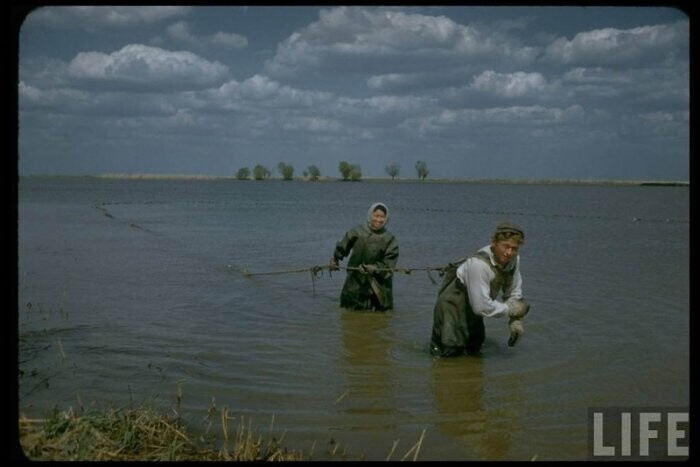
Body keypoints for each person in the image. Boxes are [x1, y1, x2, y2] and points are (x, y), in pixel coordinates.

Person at [430, 222, 530, 357]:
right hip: (452, 308)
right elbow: (481, 307)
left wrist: (516, 321)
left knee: (475, 346)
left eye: (514, 248)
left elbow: (513, 292)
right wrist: (510, 310)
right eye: (505, 246)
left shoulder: (514, 260)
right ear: (494, 242)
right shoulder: (478, 265)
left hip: (476, 308)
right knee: (449, 352)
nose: (509, 253)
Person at [329, 202, 399, 311]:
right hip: (355, 281)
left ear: (387, 218)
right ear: (370, 215)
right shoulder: (357, 232)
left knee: (380, 316)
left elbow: (389, 264)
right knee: (349, 314)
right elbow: (343, 247)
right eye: (376, 216)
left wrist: (374, 268)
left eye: (382, 217)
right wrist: (335, 259)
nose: (379, 220)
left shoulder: (390, 239)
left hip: (380, 285)